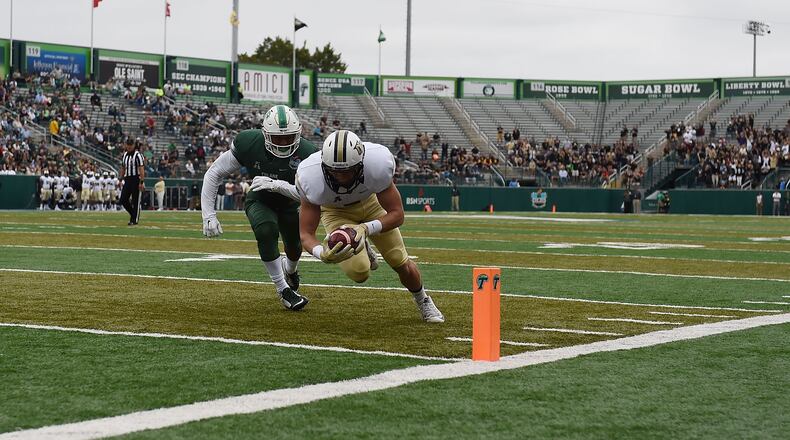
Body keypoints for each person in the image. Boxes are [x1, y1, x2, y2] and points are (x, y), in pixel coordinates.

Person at [261, 130, 444, 323]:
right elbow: (306, 234)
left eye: (348, 170)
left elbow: (397, 215)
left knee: (399, 261)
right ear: (324, 165)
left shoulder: (377, 163)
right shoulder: (310, 176)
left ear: (361, 162)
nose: (342, 177)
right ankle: (362, 245)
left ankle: (423, 299)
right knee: (359, 273)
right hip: (336, 212)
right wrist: (321, 254)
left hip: (372, 204)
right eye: (335, 171)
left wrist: (366, 229)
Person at [200, 105, 318, 311]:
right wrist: (208, 214)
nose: (283, 143)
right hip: (260, 199)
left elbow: (314, 195)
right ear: (265, 134)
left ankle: (290, 270)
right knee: (266, 231)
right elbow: (214, 172)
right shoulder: (249, 143)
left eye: (288, 137)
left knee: (294, 248)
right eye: (277, 138)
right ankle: (283, 290)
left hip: (291, 203)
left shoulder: (308, 153)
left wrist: (278, 185)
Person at [119, 139, 145, 225]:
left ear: (134, 145)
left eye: (131, 145)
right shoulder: (125, 155)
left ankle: (134, 220)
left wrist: (141, 182)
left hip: (136, 179)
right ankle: (133, 214)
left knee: (135, 200)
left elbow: (141, 169)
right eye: (128, 145)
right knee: (123, 199)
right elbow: (123, 168)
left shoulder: (138, 155)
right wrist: (120, 179)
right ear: (126, 145)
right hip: (128, 179)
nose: (129, 147)